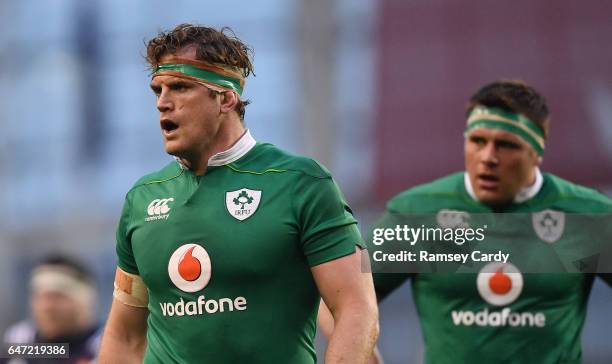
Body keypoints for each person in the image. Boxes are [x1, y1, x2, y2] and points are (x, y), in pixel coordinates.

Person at [98, 23, 378, 364]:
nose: (163, 103)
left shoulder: (302, 183)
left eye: (180, 87)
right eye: (157, 90)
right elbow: (125, 336)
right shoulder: (142, 199)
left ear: (226, 98)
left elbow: (356, 309)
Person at [320, 80, 612, 363]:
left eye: (506, 145)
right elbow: (338, 302)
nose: (488, 157)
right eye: (477, 141)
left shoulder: (586, 215)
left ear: (536, 153)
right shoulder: (419, 214)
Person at [1, 255, 102, 364]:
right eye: (40, 297)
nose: (46, 307)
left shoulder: (104, 346)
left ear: (84, 301)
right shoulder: (20, 340)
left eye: (57, 297)